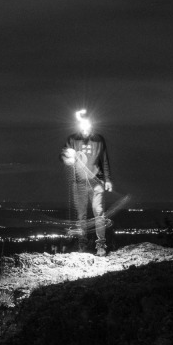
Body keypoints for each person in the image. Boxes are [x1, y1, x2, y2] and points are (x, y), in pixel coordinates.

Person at [60, 109, 112, 255]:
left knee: (98, 211)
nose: (85, 130)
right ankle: (82, 245)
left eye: (87, 126)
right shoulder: (72, 139)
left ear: (91, 126)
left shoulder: (99, 140)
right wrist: (67, 158)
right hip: (79, 183)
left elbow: (104, 160)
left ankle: (101, 246)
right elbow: (64, 156)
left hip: (97, 182)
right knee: (81, 215)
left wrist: (107, 179)